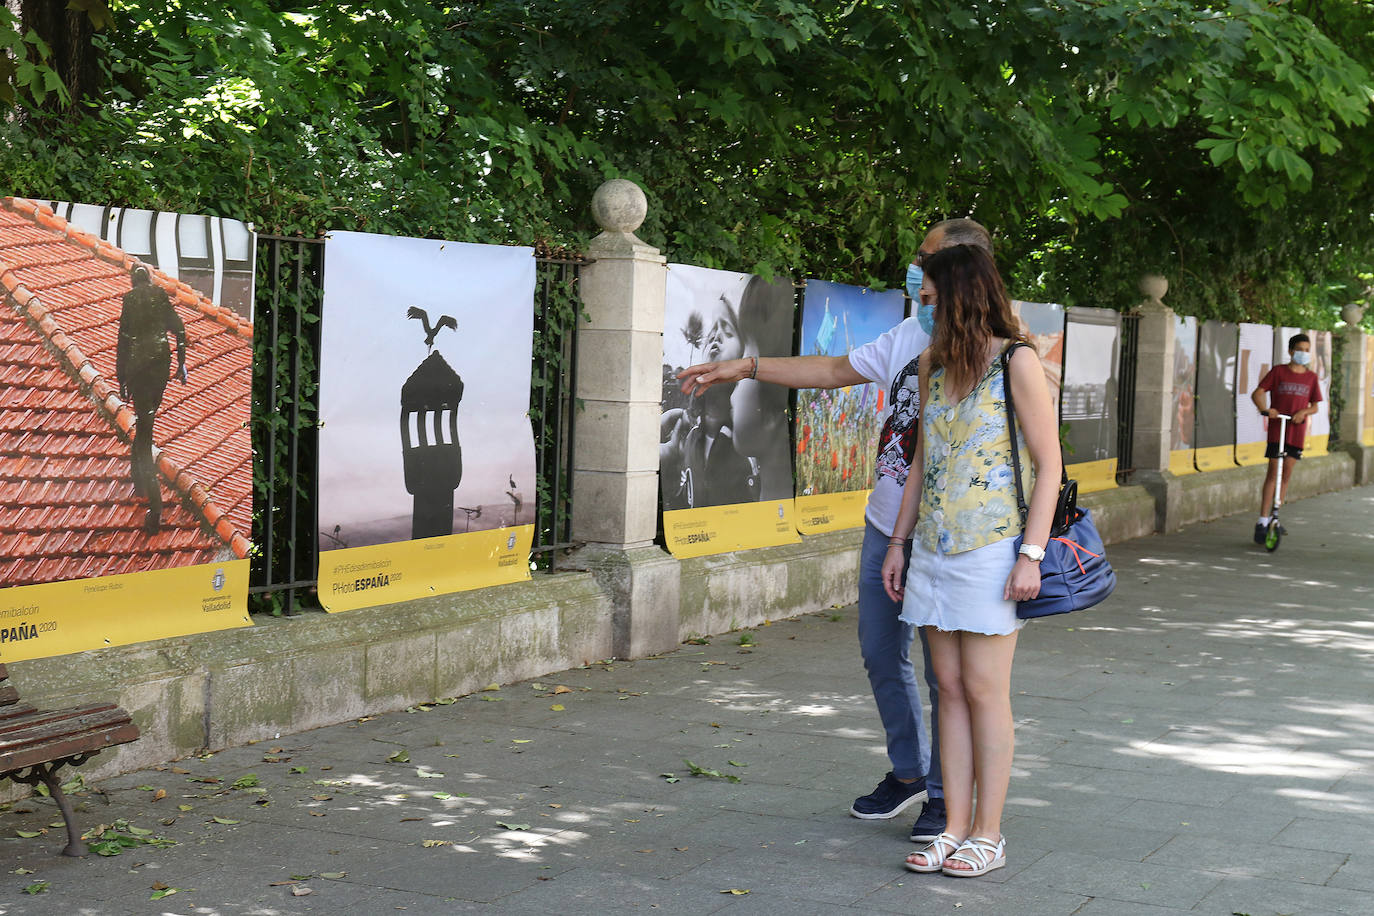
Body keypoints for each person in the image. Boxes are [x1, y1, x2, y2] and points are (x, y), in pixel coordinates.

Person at [677, 219, 994, 843]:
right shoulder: (912, 333)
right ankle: (909, 773)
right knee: (881, 654)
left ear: (960, 269)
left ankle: (946, 794)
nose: (915, 270)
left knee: (947, 675)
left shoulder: (1000, 352)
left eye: (926, 260)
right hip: (886, 526)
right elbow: (831, 370)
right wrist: (743, 366)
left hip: (945, 536)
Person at [879, 244, 1059, 877]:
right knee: (949, 691)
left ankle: (990, 832)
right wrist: (898, 544)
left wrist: (1031, 555)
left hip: (993, 551)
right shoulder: (931, 364)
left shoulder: (1018, 362)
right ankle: (953, 826)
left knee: (985, 690)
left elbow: (1049, 465)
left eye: (928, 298)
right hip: (931, 548)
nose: (921, 307)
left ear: (957, 296)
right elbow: (922, 463)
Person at [116, 265, 187, 533]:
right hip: (160, 368)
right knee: (146, 426)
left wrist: (121, 378)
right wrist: (181, 364)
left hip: (138, 371)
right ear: (150, 279)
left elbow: (122, 342)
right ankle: (139, 480)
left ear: (133, 282)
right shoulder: (160, 296)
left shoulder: (130, 300)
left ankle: (155, 507)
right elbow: (179, 331)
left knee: (145, 435)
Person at [1250, 333, 1322, 544]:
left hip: (1296, 431)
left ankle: (1276, 514)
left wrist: (1304, 413)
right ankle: (1262, 520)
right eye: (1301, 349)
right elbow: (1258, 393)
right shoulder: (1278, 372)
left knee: (1286, 473)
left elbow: (1315, 405)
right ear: (1291, 351)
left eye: (1307, 350)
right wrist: (1265, 409)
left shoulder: (1311, 378)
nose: (1304, 354)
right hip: (1278, 429)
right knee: (1274, 471)